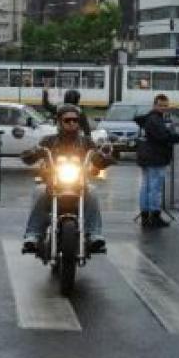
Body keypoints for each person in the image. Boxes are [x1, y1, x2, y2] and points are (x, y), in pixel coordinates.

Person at [20, 104, 109, 254]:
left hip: (78, 184)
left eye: (75, 120)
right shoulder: (48, 141)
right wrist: (32, 153)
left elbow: (97, 157)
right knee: (40, 191)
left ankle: (94, 235)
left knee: (92, 192)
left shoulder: (86, 142)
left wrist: (105, 158)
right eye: (67, 120)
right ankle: (33, 236)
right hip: (53, 183)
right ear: (59, 122)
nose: (72, 123)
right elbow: (30, 155)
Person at [135, 94, 179, 228]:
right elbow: (164, 137)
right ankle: (154, 217)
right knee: (155, 188)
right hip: (156, 157)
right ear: (154, 105)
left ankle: (145, 216)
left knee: (146, 187)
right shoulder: (155, 119)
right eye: (161, 105)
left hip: (147, 157)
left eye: (165, 106)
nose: (163, 108)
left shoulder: (149, 118)